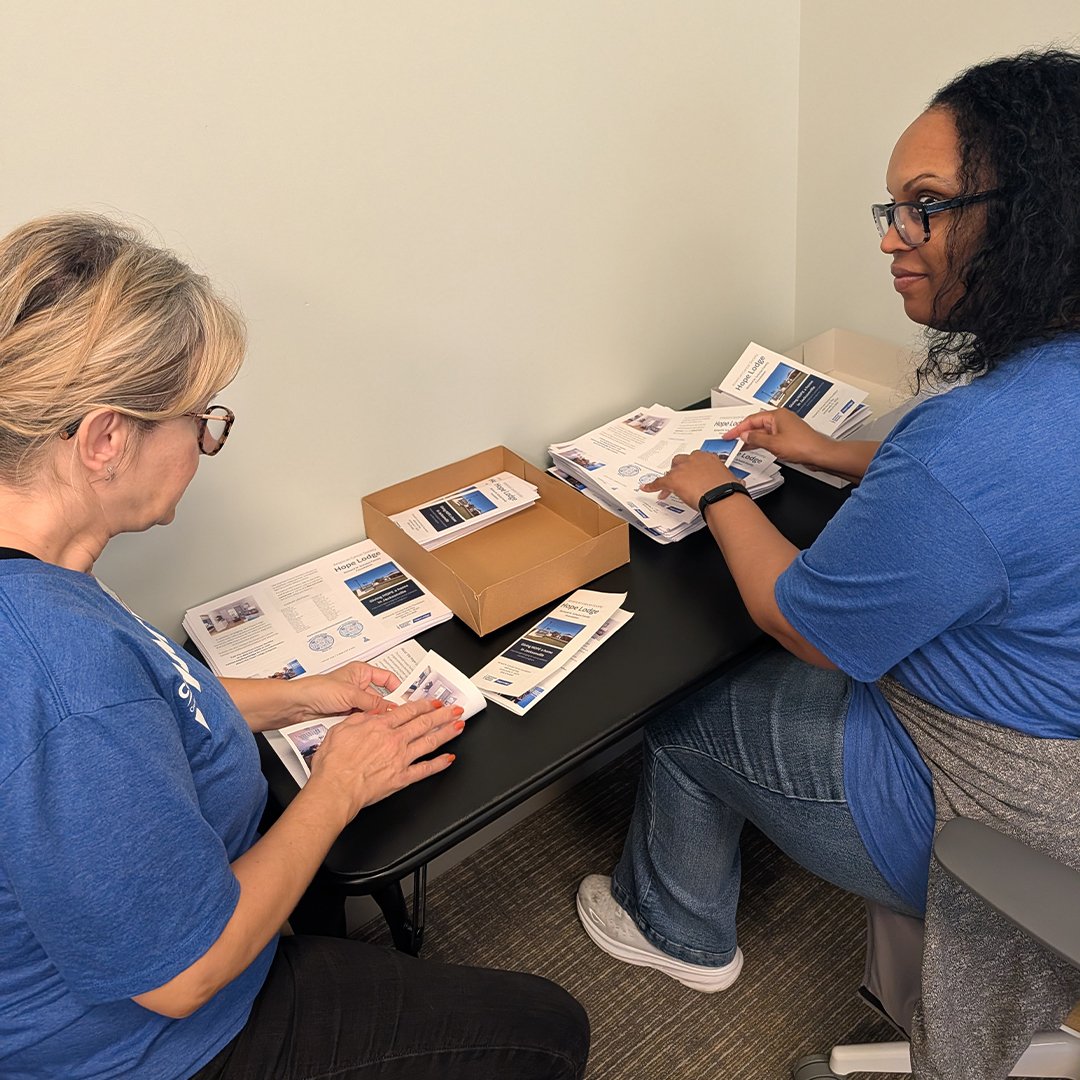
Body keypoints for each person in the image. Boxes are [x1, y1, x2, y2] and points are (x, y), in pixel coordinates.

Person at [577, 48, 1080, 1073]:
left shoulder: (974, 447)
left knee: (679, 710)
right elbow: (1017, 493)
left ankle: (674, 928)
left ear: (1030, 216)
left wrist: (711, 489)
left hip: (1005, 812)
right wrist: (829, 453)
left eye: (925, 207)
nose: (894, 239)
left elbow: (802, 625)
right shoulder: (1039, 389)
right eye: (891, 207)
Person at [0, 214, 589, 1079]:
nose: (207, 447)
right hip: (155, 1050)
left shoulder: (39, 577)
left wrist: (305, 693)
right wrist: (341, 785)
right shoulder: (60, 674)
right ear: (105, 440)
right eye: (200, 423)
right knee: (547, 1030)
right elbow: (184, 976)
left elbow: (148, 704)